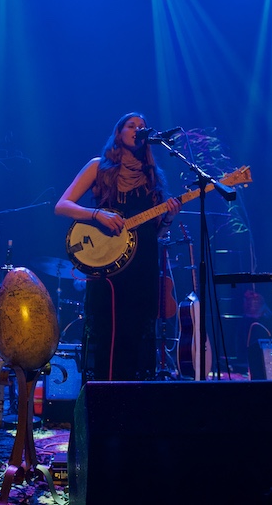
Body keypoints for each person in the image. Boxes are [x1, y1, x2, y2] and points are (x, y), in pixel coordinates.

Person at [55, 112, 181, 382]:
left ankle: (132, 409)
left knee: (136, 337)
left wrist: (169, 217)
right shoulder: (98, 167)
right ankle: (103, 407)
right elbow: (62, 205)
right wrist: (96, 214)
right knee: (110, 335)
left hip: (144, 263)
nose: (138, 129)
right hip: (107, 263)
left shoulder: (152, 177)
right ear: (119, 132)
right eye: (131, 125)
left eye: (142, 127)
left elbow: (157, 232)